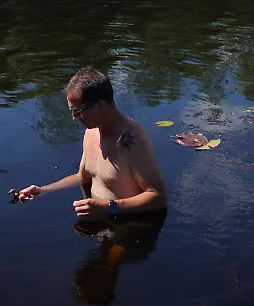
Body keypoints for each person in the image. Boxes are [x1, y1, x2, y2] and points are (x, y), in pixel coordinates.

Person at [16, 67, 167, 221]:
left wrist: (110, 207)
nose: (74, 118)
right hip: (102, 220)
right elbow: (83, 176)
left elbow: (158, 198)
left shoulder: (133, 140)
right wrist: (43, 190)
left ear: (101, 105)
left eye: (77, 111)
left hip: (131, 225)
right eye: (72, 111)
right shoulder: (91, 132)